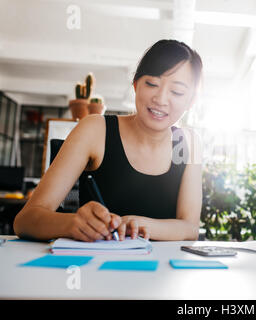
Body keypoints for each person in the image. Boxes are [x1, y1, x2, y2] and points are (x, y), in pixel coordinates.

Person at [14, 40, 203, 242]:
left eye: (177, 92)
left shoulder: (189, 143)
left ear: (191, 101)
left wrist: (137, 224)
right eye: (152, 84)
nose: (161, 99)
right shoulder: (95, 129)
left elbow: (190, 227)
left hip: (162, 270)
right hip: (94, 269)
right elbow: (25, 220)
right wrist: (72, 223)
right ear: (136, 84)